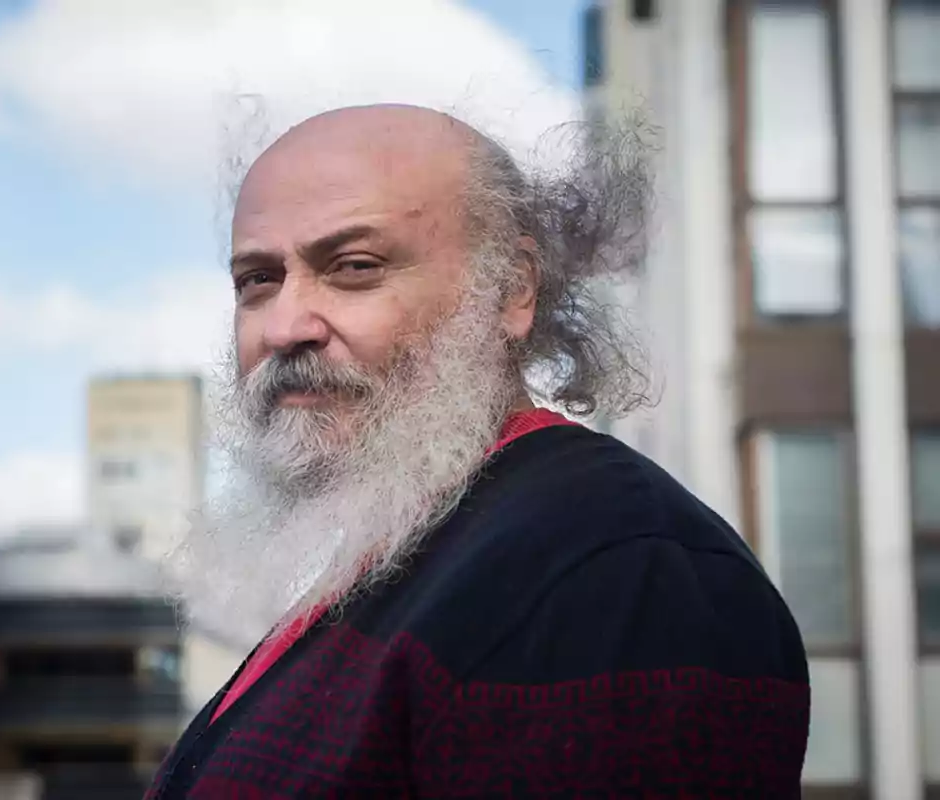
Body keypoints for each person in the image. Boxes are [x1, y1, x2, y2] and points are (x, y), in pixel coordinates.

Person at [147, 104, 809, 799]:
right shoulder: (425, 548)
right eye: (257, 280)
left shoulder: (614, 569)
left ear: (512, 287)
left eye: (354, 267)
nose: (284, 326)